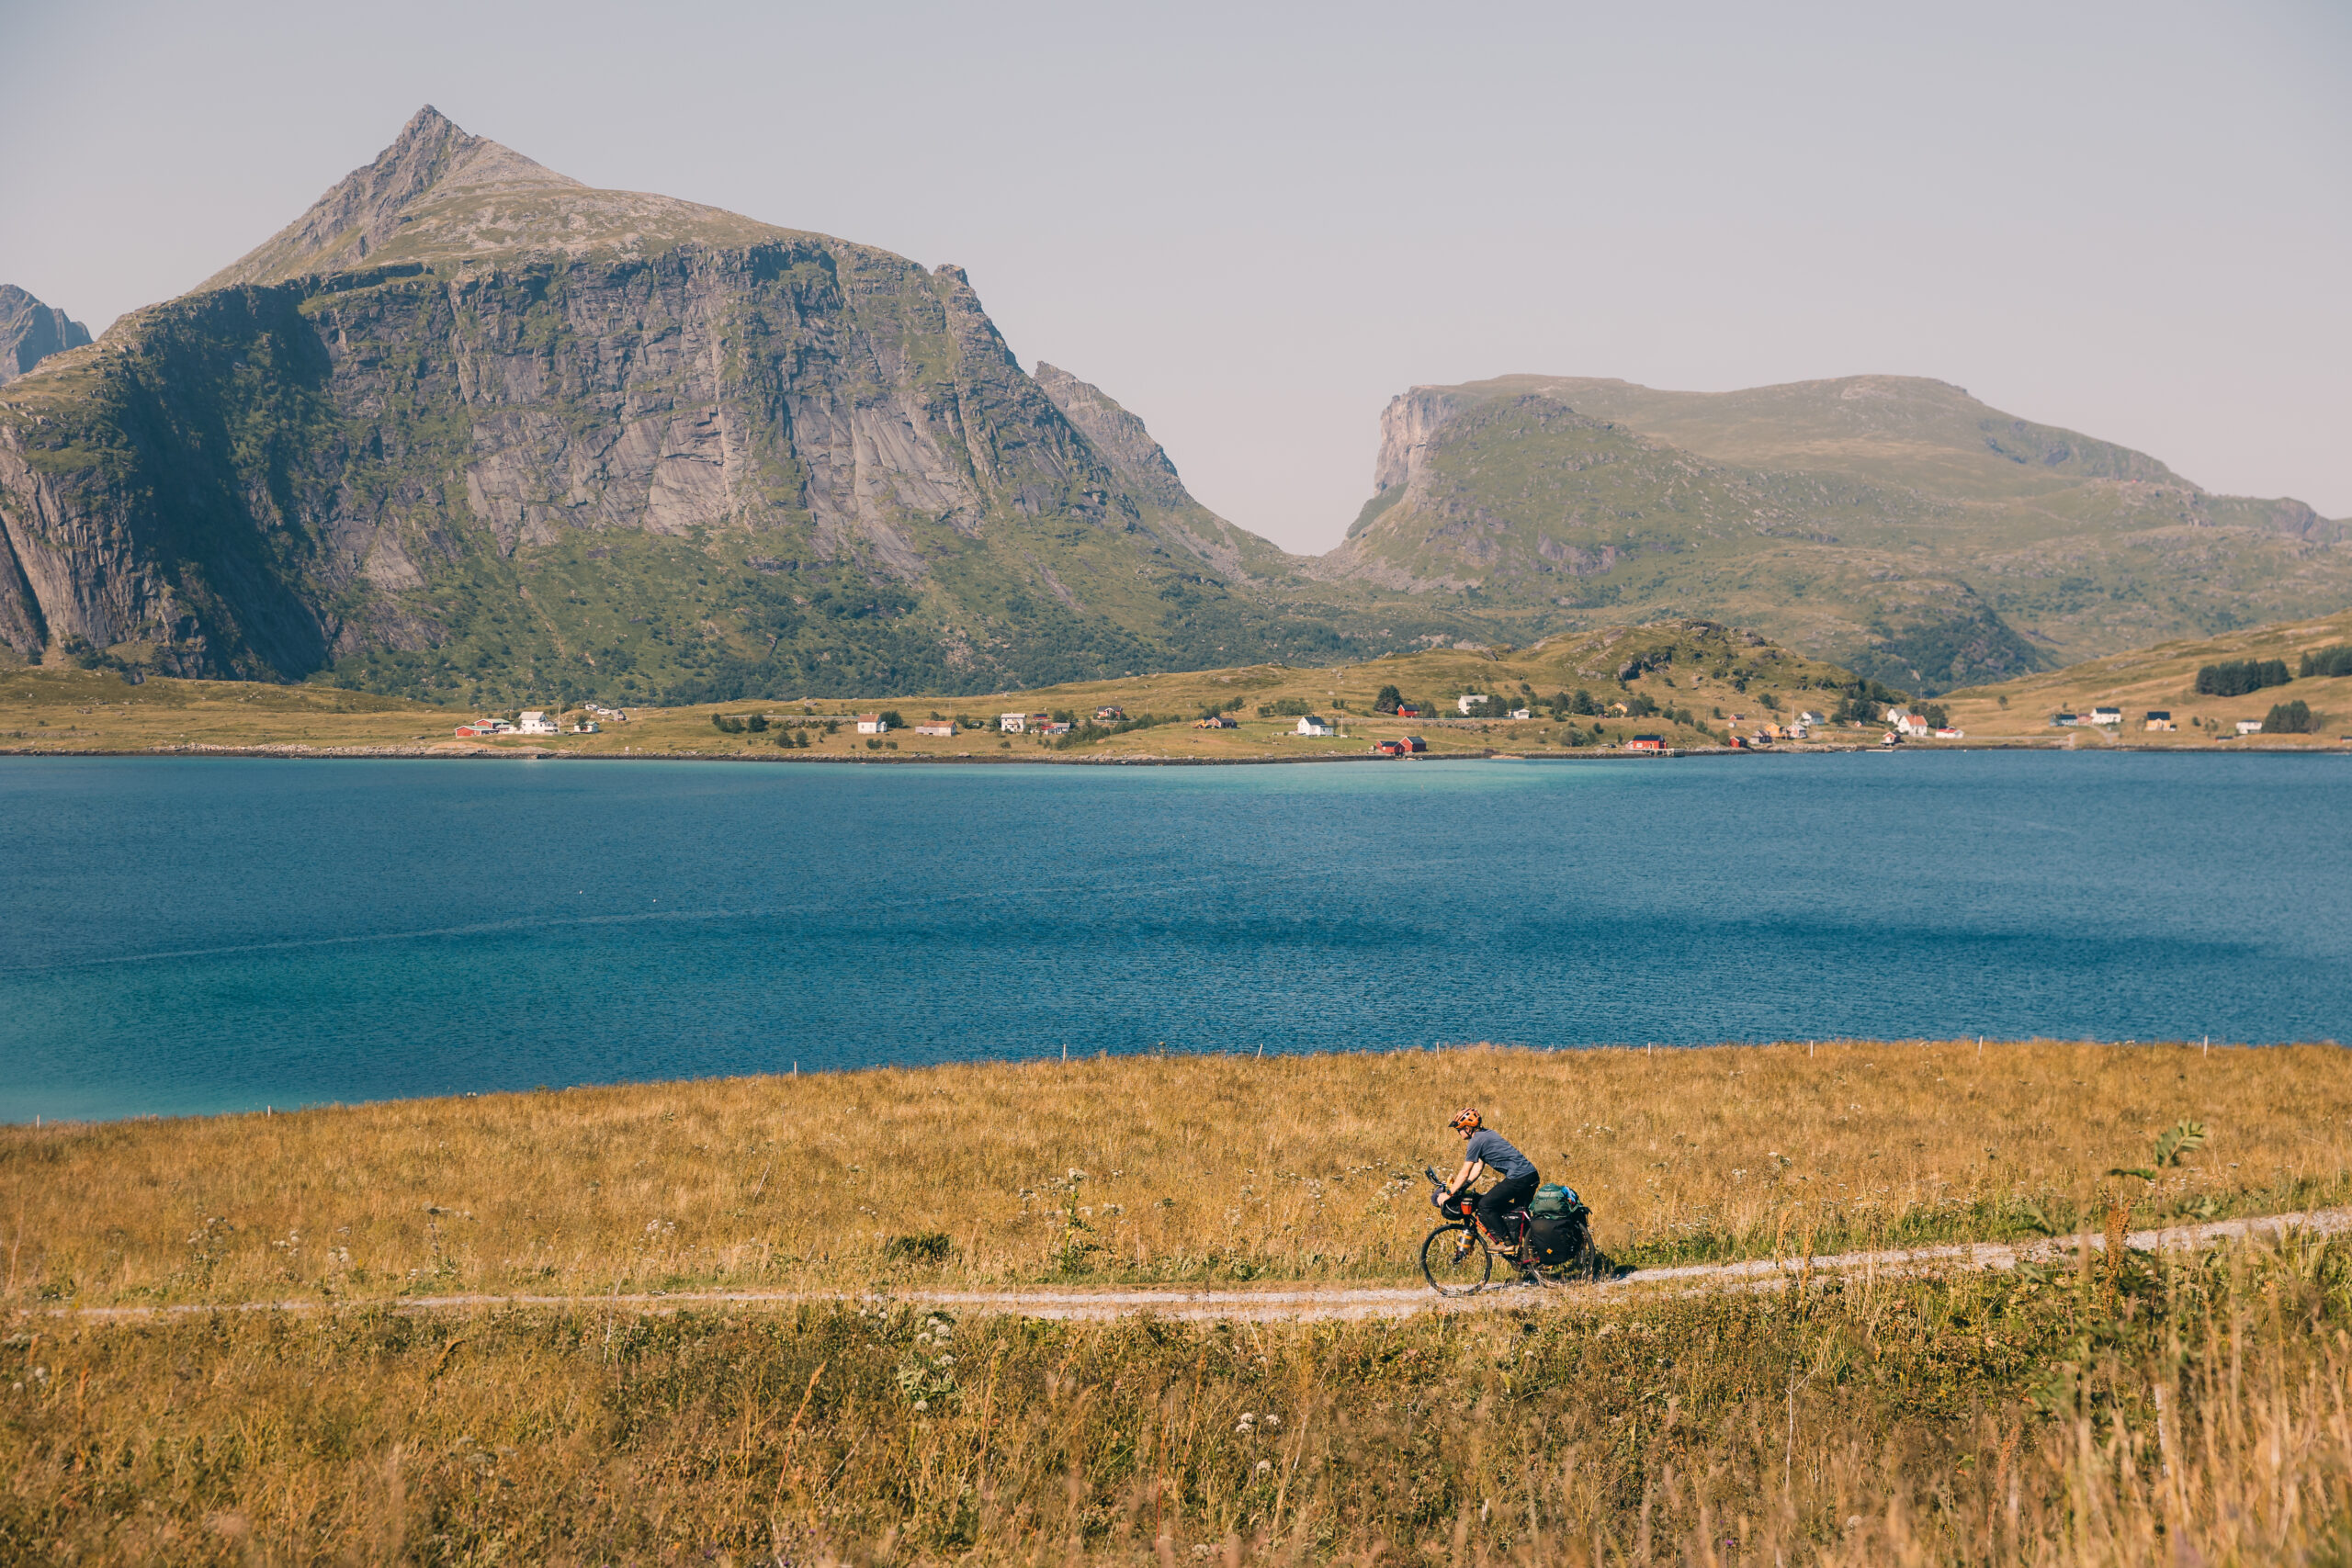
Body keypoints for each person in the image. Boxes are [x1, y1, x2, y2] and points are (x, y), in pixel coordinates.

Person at [1438, 1107, 1540, 1255]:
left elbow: (1465, 1171)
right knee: (1518, 1216)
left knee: (1485, 1204)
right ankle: (1532, 1254)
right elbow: (1478, 1168)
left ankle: (1507, 1243)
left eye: (1458, 1129)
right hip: (1530, 1175)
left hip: (1519, 1177)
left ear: (1467, 1128)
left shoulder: (1476, 1141)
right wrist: (1463, 1187)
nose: (1458, 1132)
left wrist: (1449, 1193)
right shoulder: (1487, 1134)